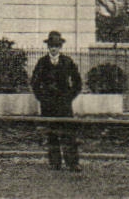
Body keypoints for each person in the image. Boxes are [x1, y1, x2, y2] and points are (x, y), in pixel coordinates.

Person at [30, 30, 81, 171]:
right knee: (52, 134)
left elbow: (77, 82)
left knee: (68, 134)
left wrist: (69, 97)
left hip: (64, 105)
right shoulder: (42, 62)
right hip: (48, 105)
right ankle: (55, 163)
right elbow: (34, 83)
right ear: (48, 47)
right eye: (51, 45)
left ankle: (72, 163)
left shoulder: (67, 62)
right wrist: (42, 98)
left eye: (57, 45)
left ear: (60, 47)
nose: (54, 48)